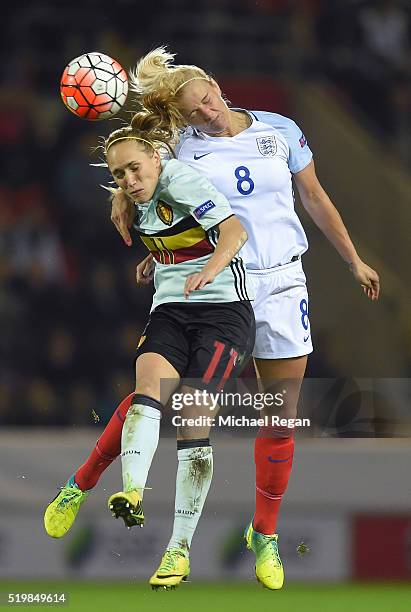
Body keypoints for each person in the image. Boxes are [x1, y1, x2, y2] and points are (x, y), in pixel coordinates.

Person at [45, 47, 380, 591]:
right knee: (163, 394)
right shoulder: (180, 145)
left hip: (282, 281)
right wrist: (128, 208)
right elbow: (145, 175)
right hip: (215, 285)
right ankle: (83, 482)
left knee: (279, 414)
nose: (205, 112)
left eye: (204, 99)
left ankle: (264, 534)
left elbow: (314, 196)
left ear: (215, 84)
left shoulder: (280, 130)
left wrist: (354, 259)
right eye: (192, 110)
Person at [44, 110, 255, 590]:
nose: (129, 179)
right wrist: (154, 256)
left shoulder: (179, 178)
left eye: (135, 169)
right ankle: (131, 492)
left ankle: (178, 548)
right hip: (172, 311)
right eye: (120, 174)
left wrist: (211, 270)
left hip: (223, 313)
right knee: (145, 393)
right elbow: (176, 232)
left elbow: (234, 232)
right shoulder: (134, 197)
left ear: (157, 157)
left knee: (192, 421)